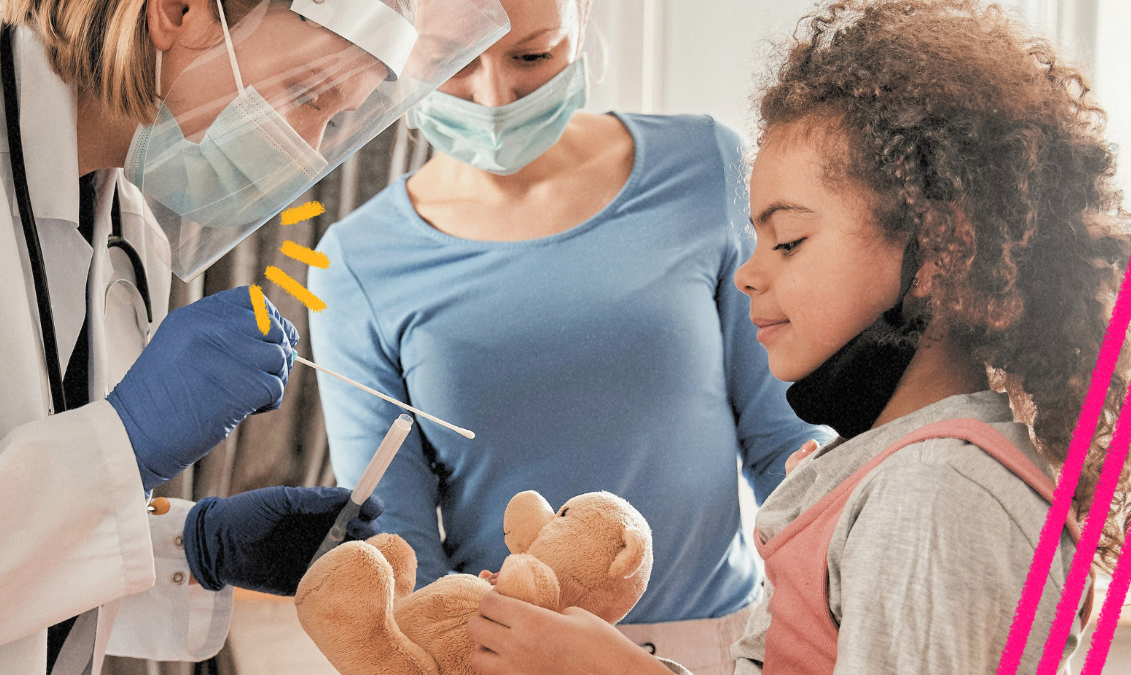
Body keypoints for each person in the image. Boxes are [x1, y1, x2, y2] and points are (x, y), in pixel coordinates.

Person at [466, 0, 1131, 673]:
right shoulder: (893, 475)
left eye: (789, 240)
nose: (749, 274)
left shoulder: (937, 494)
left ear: (940, 251)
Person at [0, 0, 505, 670]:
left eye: (335, 118)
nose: (310, 149)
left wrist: (194, 546)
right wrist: (122, 444)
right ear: (178, 12)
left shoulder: (130, 232)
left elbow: (10, 582)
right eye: (308, 94)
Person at [307, 0, 829, 671]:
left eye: (533, 55)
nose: (494, 98)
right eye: (452, 63)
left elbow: (786, 435)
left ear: (583, 19)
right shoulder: (357, 263)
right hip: (502, 658)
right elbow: (399, 551)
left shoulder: (706, 166)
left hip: (719, 650)